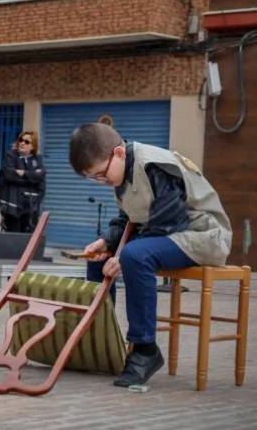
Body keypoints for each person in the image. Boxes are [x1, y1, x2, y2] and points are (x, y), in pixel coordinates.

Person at [71, 122, 232, 389]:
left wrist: (121, 257)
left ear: (119, 153)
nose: (101, 182)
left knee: (134, 256)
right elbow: (129, 219)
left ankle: (145, 350)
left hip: (203, 234)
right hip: (171, 234)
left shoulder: (154, 165)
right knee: (98, 262)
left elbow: (167, 223)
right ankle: (102, 343)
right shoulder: (121, 172)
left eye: (100, 175)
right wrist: (106, 243)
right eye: (94, 178)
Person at [0, 131, 46, 233]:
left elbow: (41, 177)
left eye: (27, 142)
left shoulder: (37, 159)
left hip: (30, 207)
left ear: (33, 146)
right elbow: (9, 175)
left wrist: (23, 173)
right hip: (12, 206)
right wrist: (32, 176)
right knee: (13, 238)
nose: (22, 143)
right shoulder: (10, 155)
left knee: (28, 239)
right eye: (21, 140)